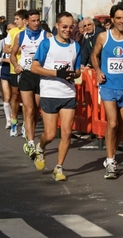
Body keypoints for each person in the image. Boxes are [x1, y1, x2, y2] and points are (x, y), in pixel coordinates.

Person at [91, 3, 123, 179]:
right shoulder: (103, 37)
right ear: (112, 19)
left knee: (120, 124)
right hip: (107, 86)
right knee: (112, 123)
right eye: (118, 18)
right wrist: (98, 71)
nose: (122, 21)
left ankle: (112, 152)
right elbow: (94, 55)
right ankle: (111, 160)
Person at [30, 11, 81, 181]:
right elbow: (35, 68)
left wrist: (73, 74)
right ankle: (41, 147)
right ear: (57, 26)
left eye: (70, 27)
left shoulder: (76, 46)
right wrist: (56, 73)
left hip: (68, 93)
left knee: (66, 133)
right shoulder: (47, 44)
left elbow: (78, 70)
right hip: (50, 92)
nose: (68, 30)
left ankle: (59, 168)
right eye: (64, 26)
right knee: (50, 135)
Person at [10, 9, 51, 157]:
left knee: (36, 109)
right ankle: (31, 142)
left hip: (40, 76)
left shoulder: (46, 36)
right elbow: (12, 55)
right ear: (26, 21)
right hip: (26, 74)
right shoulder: (20, 36)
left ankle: (29, 131)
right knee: (28, 109)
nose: (36, 23)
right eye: (33, 21)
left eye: (37, 20)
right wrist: (16, 65)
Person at [4, 9, 28, 137]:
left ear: (25, 20)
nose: (15, 21)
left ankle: (25, 124)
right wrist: (16, 49)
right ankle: (14, 121)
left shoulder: (30, 32)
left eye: (17, 19)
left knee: (26, 98)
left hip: (28, 69)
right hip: (15, 68)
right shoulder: (13, 32)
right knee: (15, 95)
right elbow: (5, 48)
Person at [0, 22, 15, 129]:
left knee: (15, 97)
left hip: (15, 70)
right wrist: (5, 60)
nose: (11, 31)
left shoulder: (20, 41)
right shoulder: (3, 42)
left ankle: (14, 116)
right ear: (6, 31)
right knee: (7, 96)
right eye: (9, 29)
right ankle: (8, 120)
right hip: (5, 70)